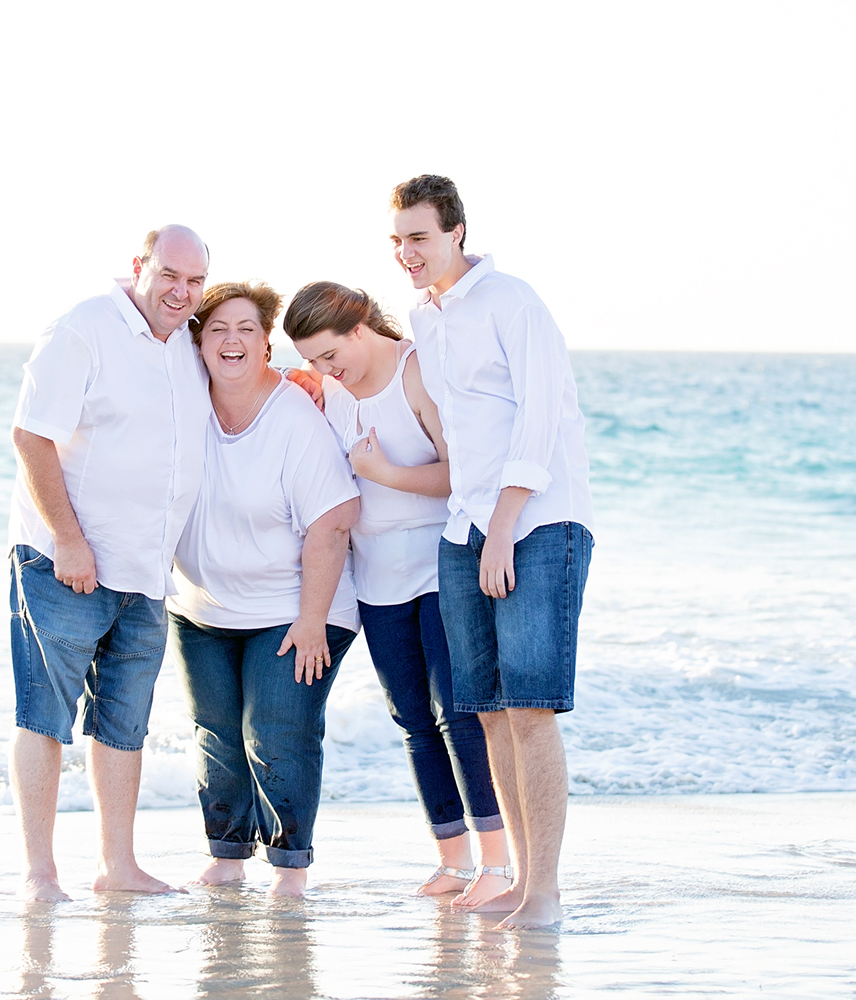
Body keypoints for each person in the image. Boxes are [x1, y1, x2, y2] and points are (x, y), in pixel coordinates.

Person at [391, 174, 594, 929]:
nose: (408, 253)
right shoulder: (422, 315)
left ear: (456, 233)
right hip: (464, 526)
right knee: (487, 715)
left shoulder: (513, 302)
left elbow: (541, 415)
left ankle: (544, 892)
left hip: (538, 522)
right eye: (398, 240)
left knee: (531, 709)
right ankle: (513, 879)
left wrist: (505, 523)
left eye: (420, 237)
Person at [282, 281, 512, 909]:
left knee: (457, 711)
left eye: (330, 355)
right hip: (375, 575)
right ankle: (452, 858)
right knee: (411, 717)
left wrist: (386, 475)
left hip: (441, 565)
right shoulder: (326, 387)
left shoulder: (417, 371)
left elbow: (463, 473)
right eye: (313, 361)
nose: (326, 371)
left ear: (360, 327)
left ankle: (499, 862)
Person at [7, 225, 211, 902]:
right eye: (169, 277)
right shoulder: (83, 328)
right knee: (45, 717)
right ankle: (40, 875)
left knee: (124, 725)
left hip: (144, 573)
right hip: (65, 563)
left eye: (194, 281)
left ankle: (117, 867)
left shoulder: (186, 340)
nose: (181, 293)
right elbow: (32, 435)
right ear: (138, 267)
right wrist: (68, 539)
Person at [167, 281, 361, 898]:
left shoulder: (292, 417)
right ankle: (226, 858)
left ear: (267, 343)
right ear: (196, 341)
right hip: (200, 607)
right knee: (215, 732)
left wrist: (311, 621)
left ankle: (291, 871)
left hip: (296, 607)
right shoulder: (183, 404)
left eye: (247, 328)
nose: (231, 340)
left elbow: (333, 522)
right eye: (217, 327)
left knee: (277, 732)